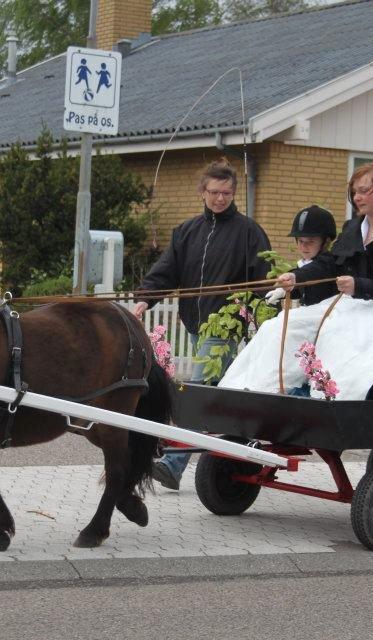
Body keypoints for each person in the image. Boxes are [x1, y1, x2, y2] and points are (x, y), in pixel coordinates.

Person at [219, 162, 373, 400]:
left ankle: (329, 400)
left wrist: (359, 286)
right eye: (355, 191)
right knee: (277, 326)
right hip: (344, 305)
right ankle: (253, 395)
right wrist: (296, 278)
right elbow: (329, 264)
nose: (357, 197)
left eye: (364, 190)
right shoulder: (352, 227)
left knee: (336, 337)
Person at [133, 159, 272, 490]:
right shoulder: (187, 231)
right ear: (202, 191)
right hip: (195, 323)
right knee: (219, 395)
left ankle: (174, 462)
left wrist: (255, 310)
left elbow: (264, 281)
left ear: (233, 192)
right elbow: (166, 271)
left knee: (197, 391)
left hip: (224, 329)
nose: (220, 199)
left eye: (226, 193)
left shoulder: (249, 232)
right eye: (214, 192)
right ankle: (238, 447)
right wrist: (144, 299)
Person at [265, 204, 339, 308]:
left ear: (326, 242)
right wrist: (283, 291)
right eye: (300, 241)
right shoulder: (303, 266)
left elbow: (311, 272)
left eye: (311, 241)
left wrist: (294, 278)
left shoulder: (329, 263)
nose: (304, 246)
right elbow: (302, 288)